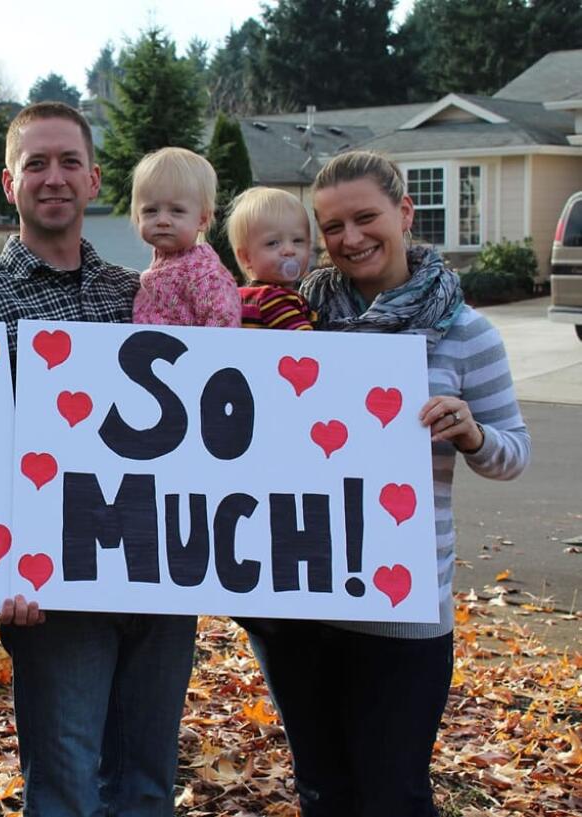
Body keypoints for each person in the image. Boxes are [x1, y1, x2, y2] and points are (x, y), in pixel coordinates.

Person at [246, 150, 531, 817]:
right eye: (332, 226)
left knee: (393, 795)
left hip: (402, 613)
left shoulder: (465, 332)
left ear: (404, 214)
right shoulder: (289, 323)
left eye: (366, 217)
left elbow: (512, 454)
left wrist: (471, 433)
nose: (350, 238)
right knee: (322, 790)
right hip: (298, 605)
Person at [0, 101, 198, 816]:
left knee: (147, 785)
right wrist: (4, 567)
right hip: (55, 591)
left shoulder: (141, 292)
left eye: (67, 163)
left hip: (158, 572)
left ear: (93, 179)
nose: (52, 177)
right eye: (35, 164)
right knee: (63, 790)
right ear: (9, 182)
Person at [130, 147, 241, 328]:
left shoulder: (205, 274)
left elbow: (224, 325)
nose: (163, 220)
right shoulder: (158, 269)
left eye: (177, 211)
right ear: (137, 217)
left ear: (202, 220)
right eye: (151, 210)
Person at [226, 186, 316, 331]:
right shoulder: (274, 299)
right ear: (246, 257)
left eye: (298, 240)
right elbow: (306, 343)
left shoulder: (239, 297)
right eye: (273, 243)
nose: (289, 250)